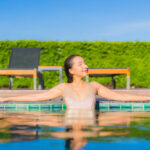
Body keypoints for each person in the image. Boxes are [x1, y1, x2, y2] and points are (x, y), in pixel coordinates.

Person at [0, 55, 150, 109]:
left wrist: (148, 99)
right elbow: (36, 97)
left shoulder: (94, 86)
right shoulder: (63, 88)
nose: (86, 66)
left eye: (85, 63)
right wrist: (7, 99)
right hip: (69, 125)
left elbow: (121, 97)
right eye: (80, 64)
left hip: (91, 126)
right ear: (71, 70)